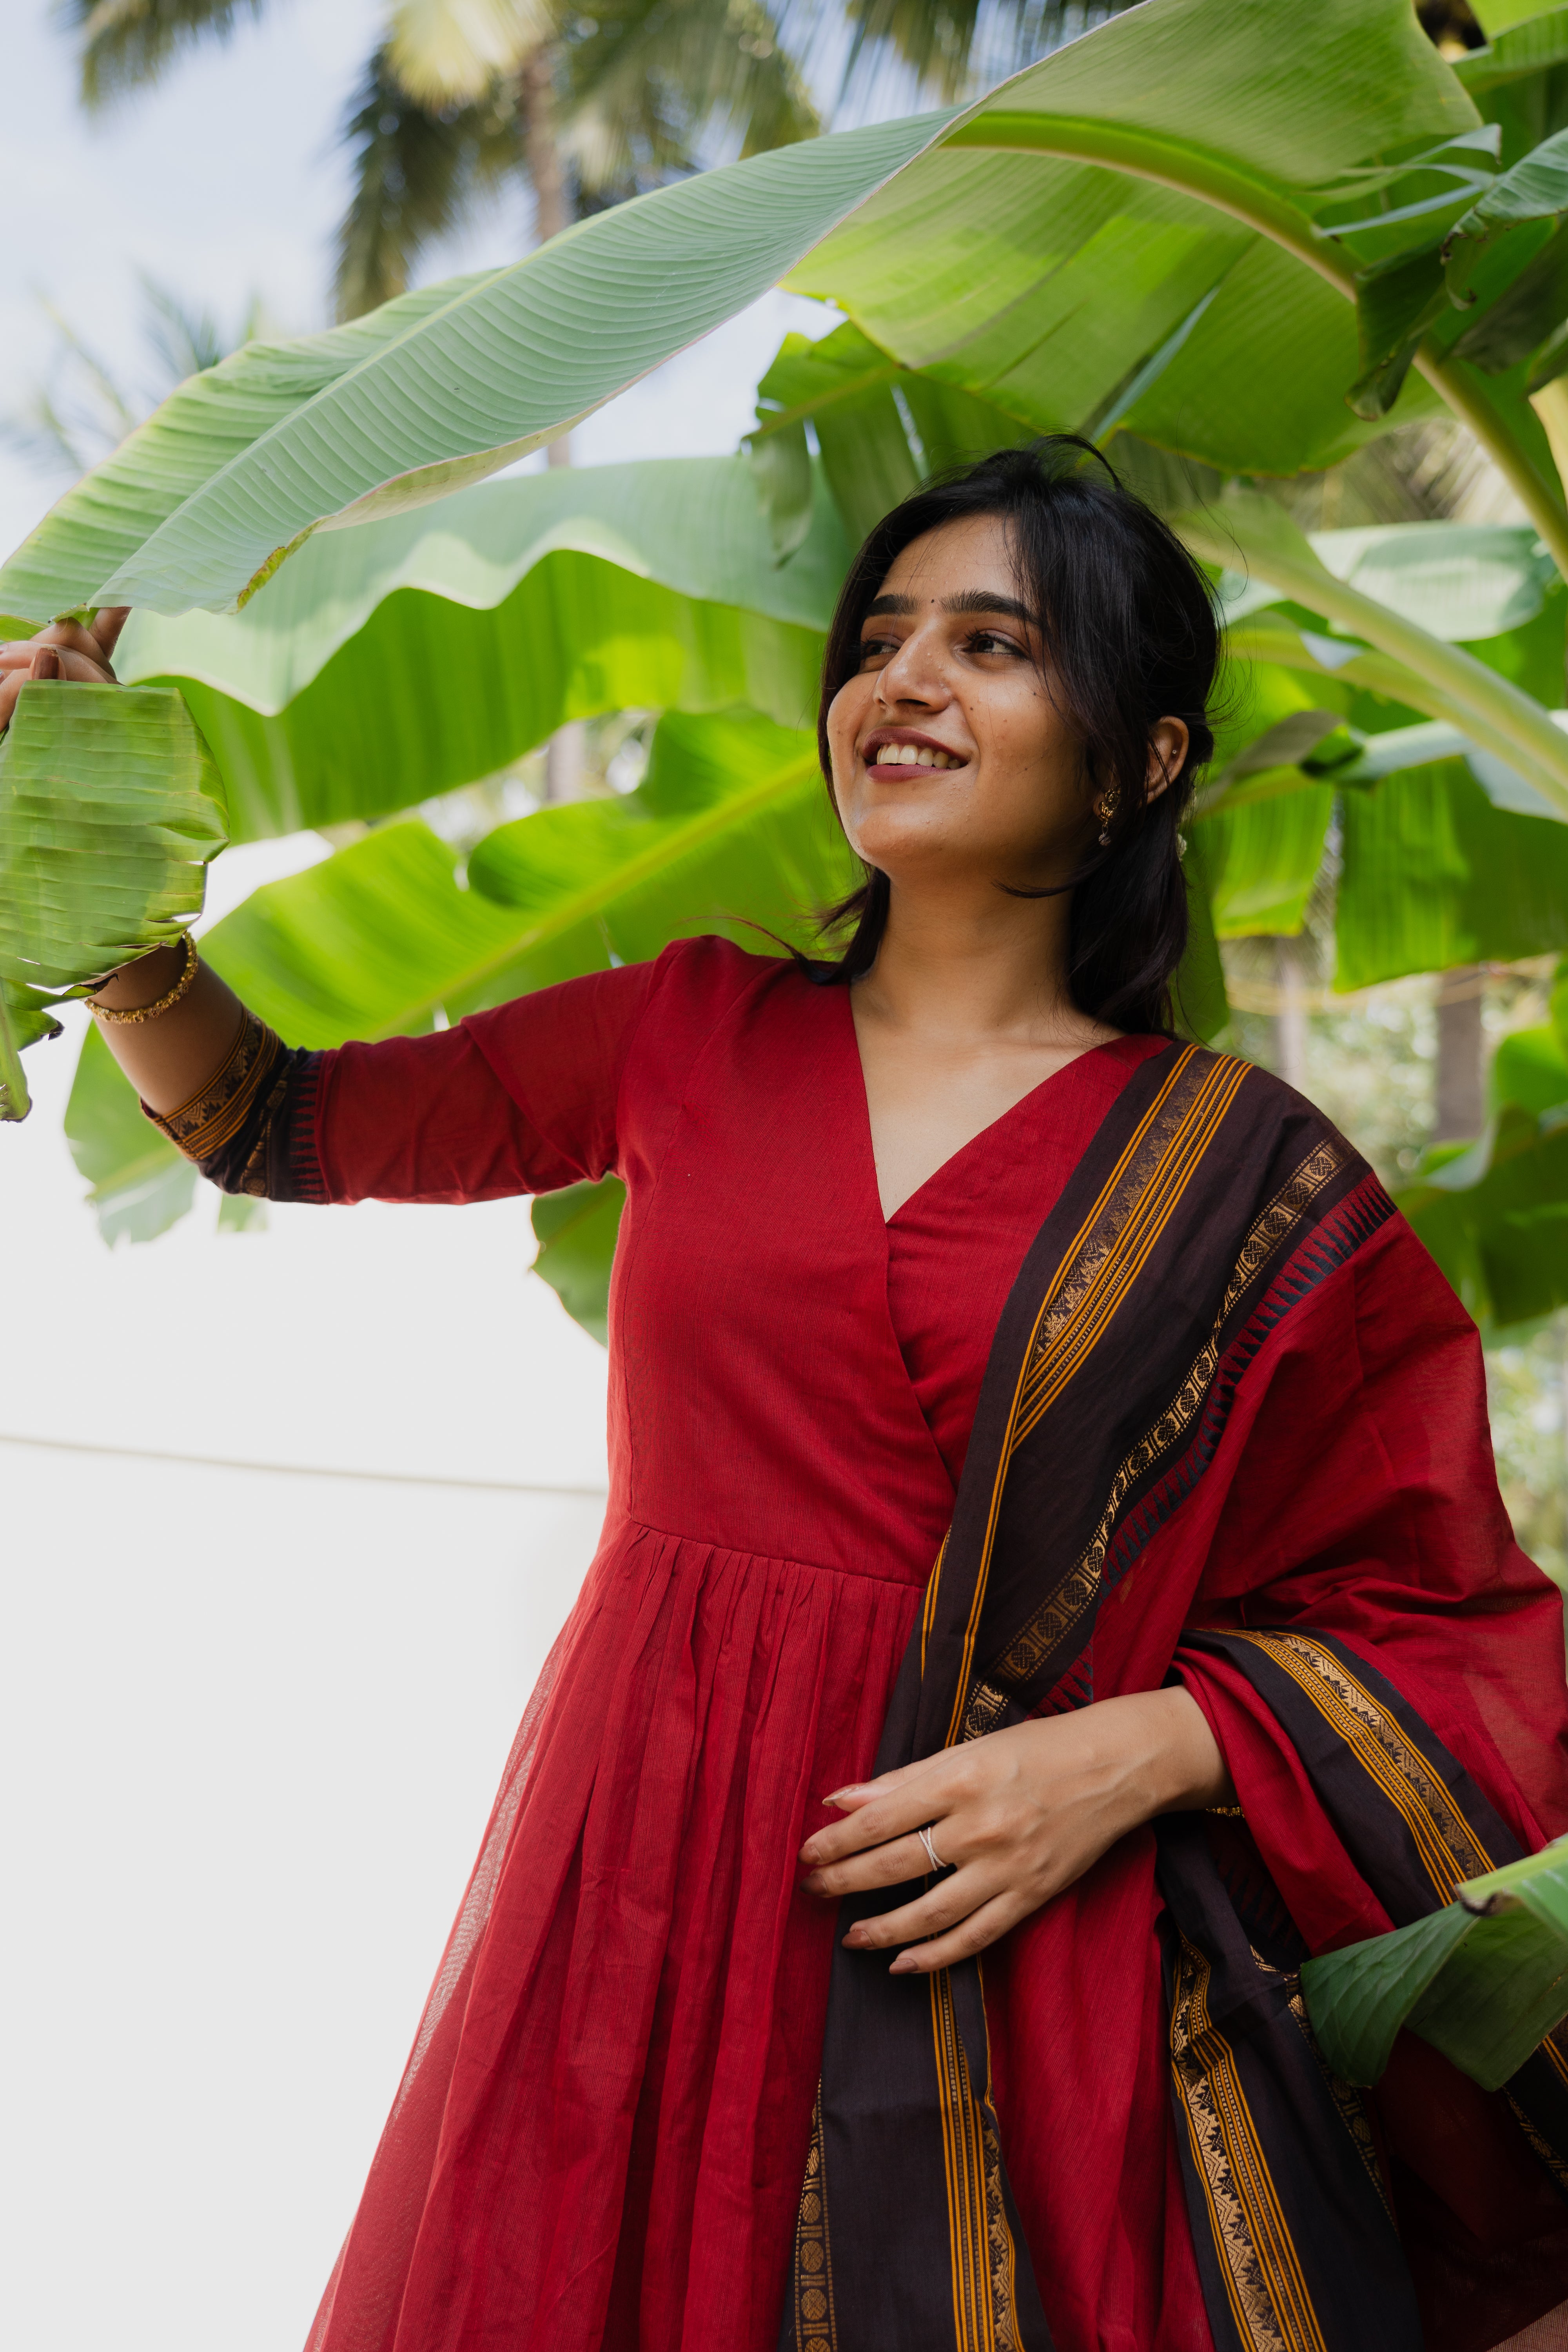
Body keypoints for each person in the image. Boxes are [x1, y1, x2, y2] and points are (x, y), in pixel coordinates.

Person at [10, 440, 1568, 2352]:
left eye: (990, 642)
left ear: (1140, 762)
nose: (902, 679)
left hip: (1016, 1940)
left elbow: (1455, 1627)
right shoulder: (689, 1028)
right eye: (881, 635)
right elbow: (277, 1119)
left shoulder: (1241, 1175)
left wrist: (1148, 1748)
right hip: (643, 1894)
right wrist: (83, 857)